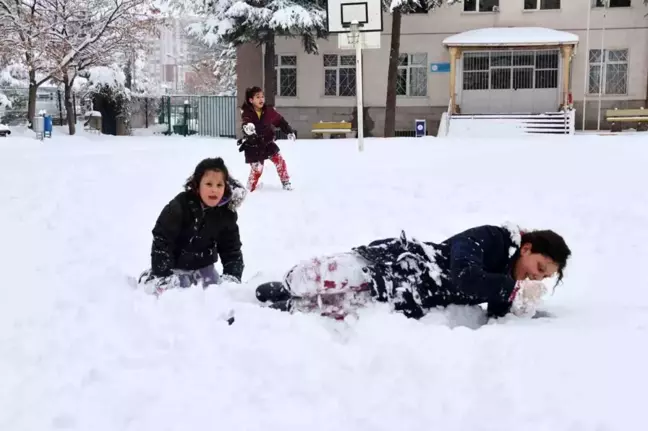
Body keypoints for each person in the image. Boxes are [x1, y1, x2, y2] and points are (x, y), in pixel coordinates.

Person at [255, 224, 571, 320]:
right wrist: (512, 290)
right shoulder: (491, 238)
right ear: (527, 248)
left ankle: (289, 308)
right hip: (397, 263)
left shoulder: (507, 278)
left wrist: (523, 307)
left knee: (332, 310)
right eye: (539, 268)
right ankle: (290, 286)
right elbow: (463, 274)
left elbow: (499, 313)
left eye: (543, 278)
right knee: (317, 276)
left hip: (408, 298)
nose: (535, 277)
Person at [138, 157, 246, 296]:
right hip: (174, 268)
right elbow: (162, 239)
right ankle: (151, 278)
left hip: (203, 268)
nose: (214, 190)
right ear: (197, 185)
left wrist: (232, 277)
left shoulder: (226, 213)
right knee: (173, 297)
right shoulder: (180, 206)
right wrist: (163, 274)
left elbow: (231, 249)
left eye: (219, 185)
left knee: (215, 296)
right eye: (208, 184)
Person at [237, 86, 295, 192]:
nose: (261, 99)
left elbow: (280, 121)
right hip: (253, 145)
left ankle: (286, 182)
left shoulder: (269, 111)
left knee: (279, 161)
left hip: (267, 143)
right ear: (251, 100)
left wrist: (289, 131)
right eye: (258, 97)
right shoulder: (247, 112)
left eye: (262, 97)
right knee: (257, 169)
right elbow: (246, 123)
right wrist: (248, 129)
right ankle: (249, 189)